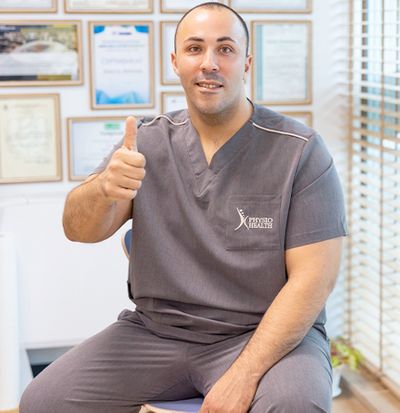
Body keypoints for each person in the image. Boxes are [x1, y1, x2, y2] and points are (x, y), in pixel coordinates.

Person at [20, 2, 348, 413]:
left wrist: (244, 374)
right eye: (195, 48)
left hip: (262, 335)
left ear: (246, 63)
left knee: (295, 406)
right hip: (157, 334)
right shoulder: (146, 142)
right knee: (43, 402)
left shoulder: (299, 152)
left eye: (225, 49)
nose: (209, 63)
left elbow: (314, 280)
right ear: (176, 62)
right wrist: (103, 188)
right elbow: (78, 229)